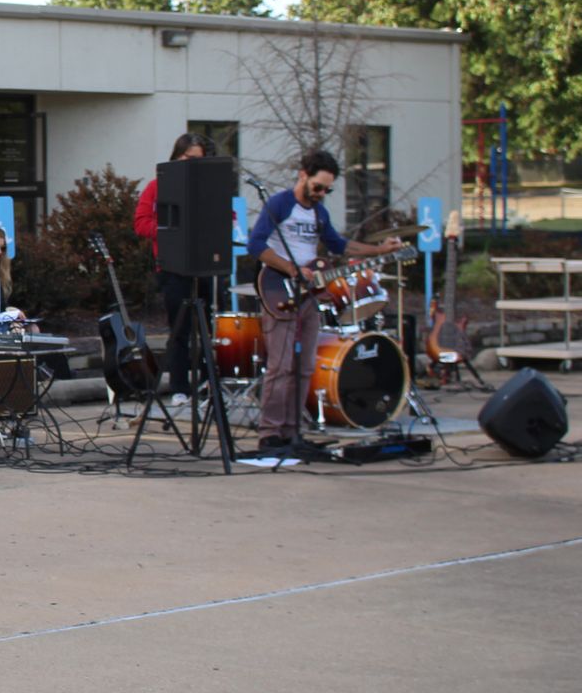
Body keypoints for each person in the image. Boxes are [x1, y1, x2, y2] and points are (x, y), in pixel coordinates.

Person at [246, 149, 404, 453]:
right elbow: (256, 244)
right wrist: (292, 269)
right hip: (281, 288)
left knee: (304, 366)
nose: (321, 194)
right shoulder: (280, 203)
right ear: (303, 175)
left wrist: (380, 250)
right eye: (318, 187)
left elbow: (339, 244)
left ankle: (294, 431)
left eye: (327, 189)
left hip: (310, 293)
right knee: (280, 366)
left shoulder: (319, 213)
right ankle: (269, 433)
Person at [133, 133, 208, 406]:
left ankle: (206, 383)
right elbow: (140, 223)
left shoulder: (206, 187)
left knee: (207, 327)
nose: (193, 164)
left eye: (199, 160)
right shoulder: (157, 186)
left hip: (203, 266)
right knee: (179, 329)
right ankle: (179, 387)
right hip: (172, 267)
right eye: (189, 159)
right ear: (177, 157)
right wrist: (169, 230)